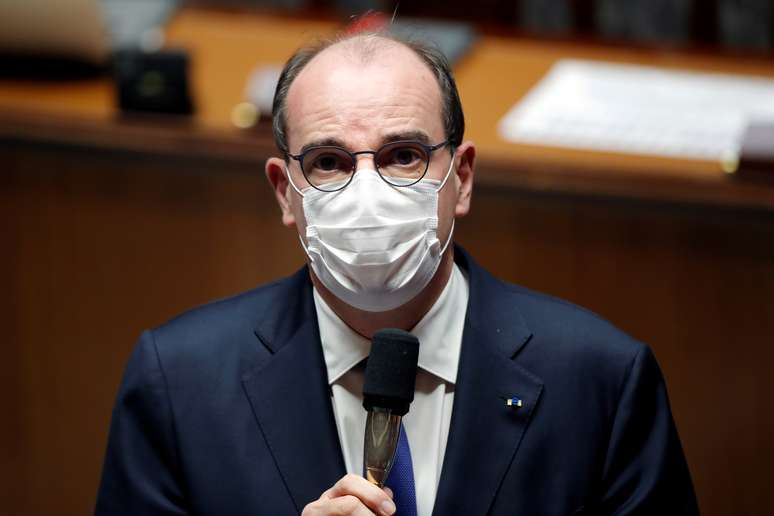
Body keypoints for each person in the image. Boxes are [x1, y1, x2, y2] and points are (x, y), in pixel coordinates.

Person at [95, 29, 699, 516]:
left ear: (460, 178)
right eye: (328, 162)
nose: (367, 192)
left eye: (402, 155)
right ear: (286, 193)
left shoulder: (603, 382)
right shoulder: (177, 384)